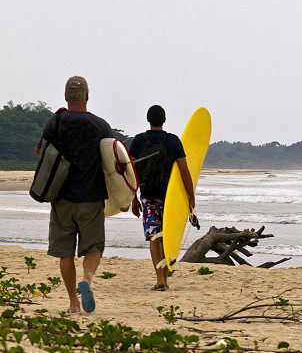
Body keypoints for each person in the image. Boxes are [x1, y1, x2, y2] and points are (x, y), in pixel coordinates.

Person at [36, 76, 114, 314]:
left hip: (61, 198)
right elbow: (114, 159)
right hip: (91, 198)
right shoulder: (100, 125)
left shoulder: (54, 122)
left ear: (66, 97)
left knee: (65, 253)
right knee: (93, 248)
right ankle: (87, 281)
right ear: (87, 97)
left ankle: (73, 303)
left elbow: (41, 151)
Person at [130, 105, 195, 291]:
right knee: (167, 236)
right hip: (170, 197)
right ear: (164, 120)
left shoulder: (138, 141)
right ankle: (164, 278)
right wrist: (191, 197)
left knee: (153, 237)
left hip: (148, 196)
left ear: (148, 120)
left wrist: (133, 198)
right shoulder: (172, 141)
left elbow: (131, 172)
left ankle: (160, 278)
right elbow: (184, 171)